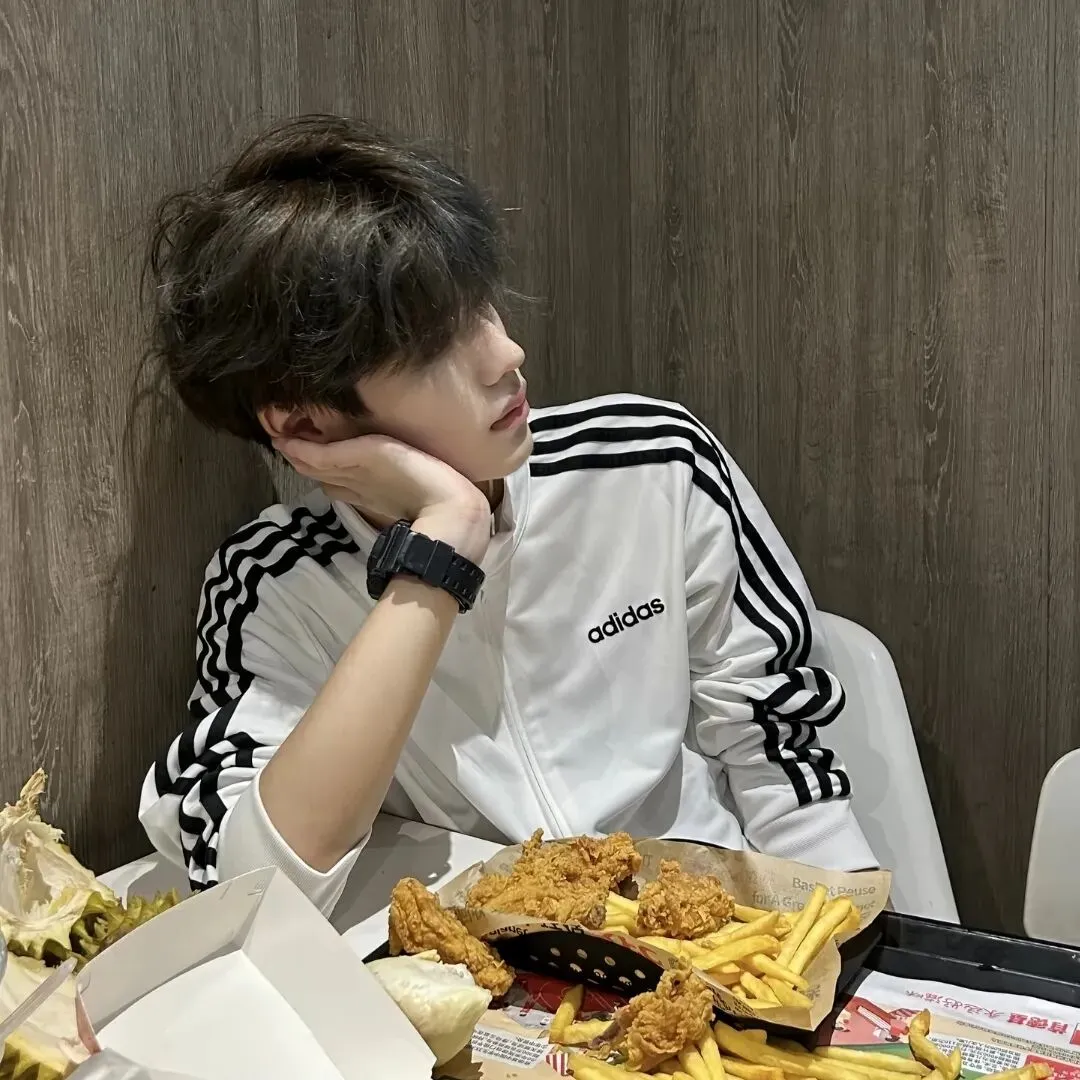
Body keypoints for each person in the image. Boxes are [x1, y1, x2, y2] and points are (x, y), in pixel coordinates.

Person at [139, 115, 875, 914]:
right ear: (307, 425)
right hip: (493, 970)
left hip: (707, 935)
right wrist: (441, 547)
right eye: (433, 346)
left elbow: (780, 759)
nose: (505, 355)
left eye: (480, 306)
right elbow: (252, 892)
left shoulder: (652, 464)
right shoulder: (275, 584)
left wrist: (853, 944)